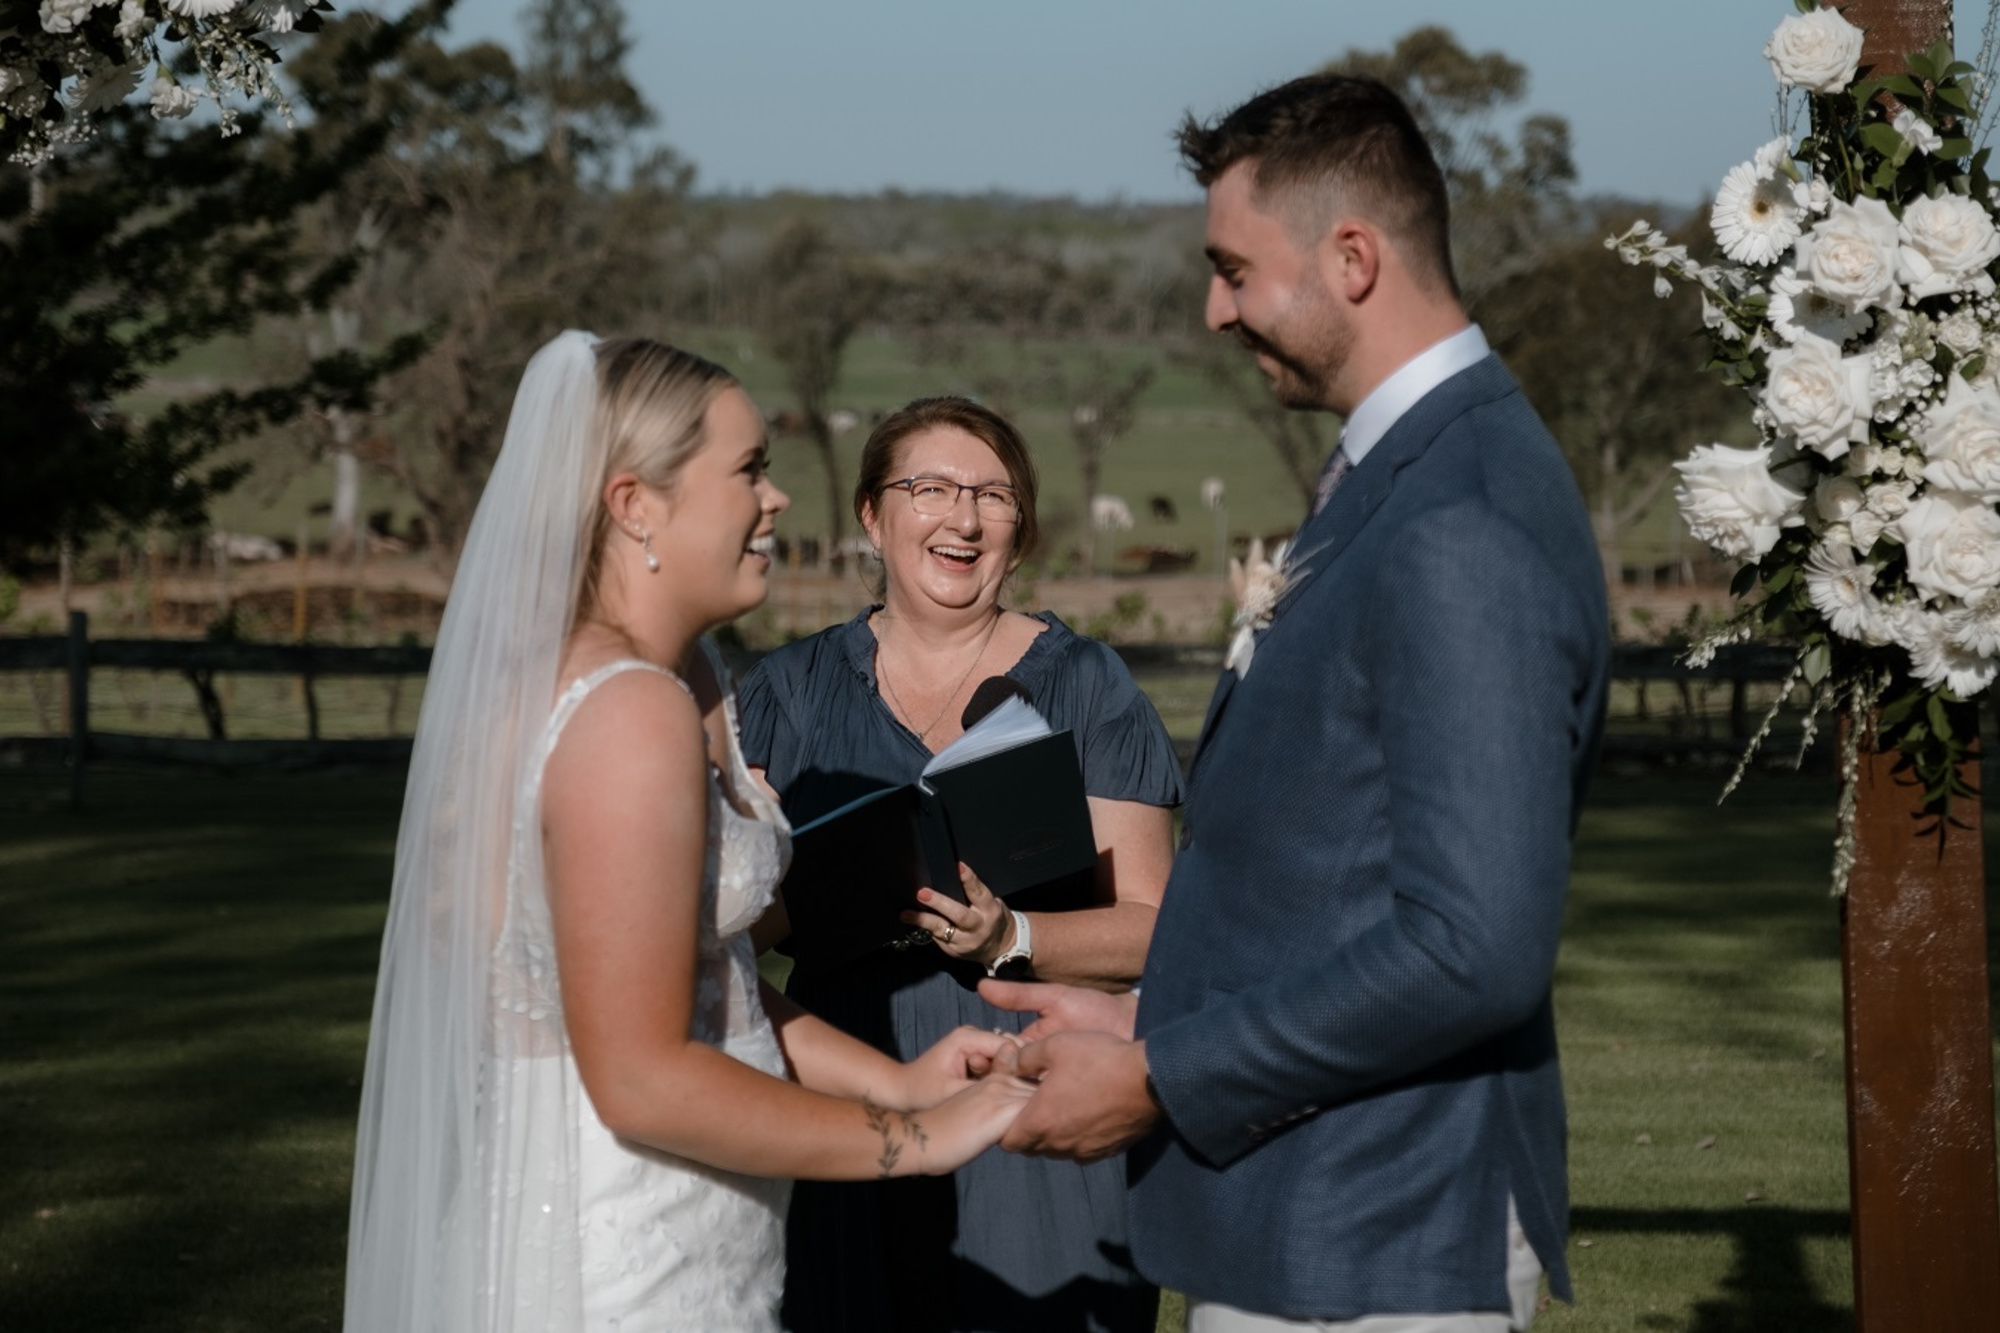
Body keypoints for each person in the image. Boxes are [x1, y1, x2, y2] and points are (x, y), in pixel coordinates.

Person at [981, 74, 1612, 1332]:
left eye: (1232, 269)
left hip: (1376, 1225)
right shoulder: (1401, 472)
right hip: (1311, 1211)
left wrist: (1161, 1073)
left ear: (1354, 258)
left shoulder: (1458, 517)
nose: (1213, 311)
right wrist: (1146, 1007)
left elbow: (1470, 949)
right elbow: (1330, 868)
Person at [341, 334, 1033, 1333]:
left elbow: (698, 980)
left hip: (683, 1228)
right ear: (634, 504)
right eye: (747, 469)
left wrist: (897, 1077)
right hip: (616, 1249)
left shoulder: (674, 677)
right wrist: (910, 1139)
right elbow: (642, 1079)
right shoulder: (627, 713)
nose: (775, 498)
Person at [737, 395, 1183, 1333]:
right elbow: (738, 922)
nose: (963, 517)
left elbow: (1154, 924)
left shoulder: (1089, 686)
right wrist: (817, 883)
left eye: (993, 495)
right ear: (873, 514)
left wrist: (1011, 935)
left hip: (1029, 1083)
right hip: (842, 1095)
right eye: (930, 487)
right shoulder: (783, 693)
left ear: (1019, 528)